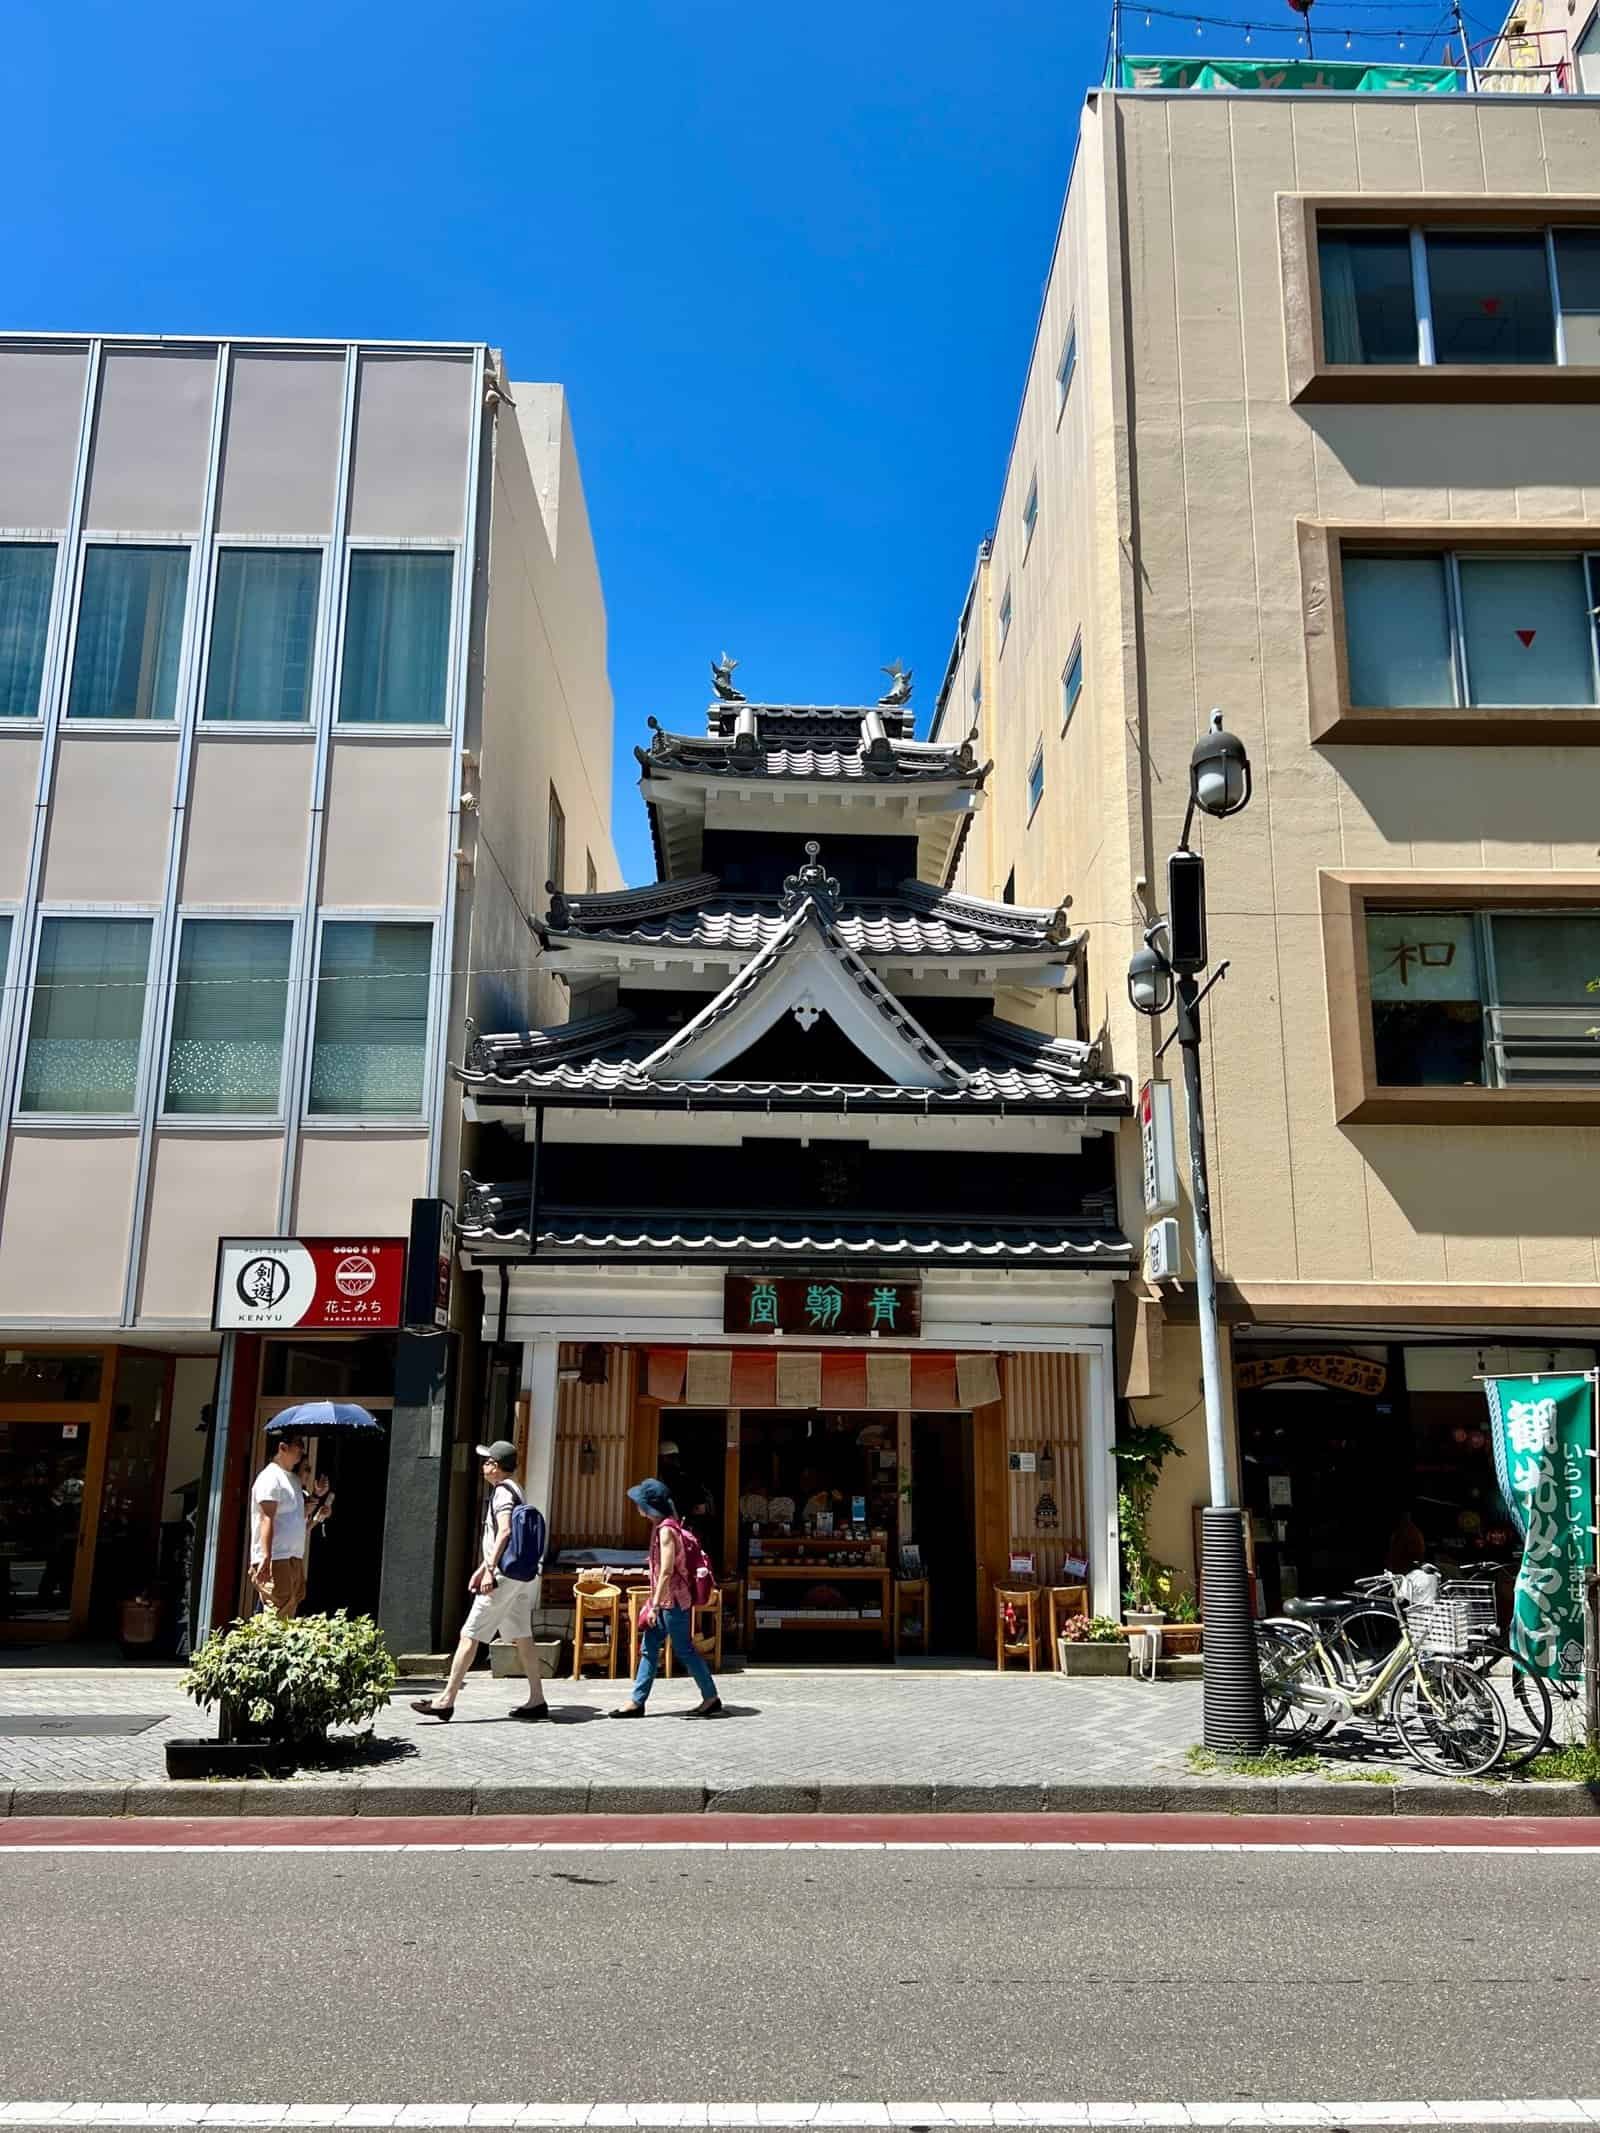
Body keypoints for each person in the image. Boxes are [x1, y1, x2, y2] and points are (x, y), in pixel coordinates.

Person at [412, 1440, 549, 1723]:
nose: (484, 1466)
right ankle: (537, 1699)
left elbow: (505, 1532)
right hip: (517, 1576)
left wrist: (489, 1570)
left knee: (470, 1633)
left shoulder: (501, 1493)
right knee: (522, 1636)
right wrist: (482, 1567)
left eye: (487, 1461)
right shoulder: (516, 1489)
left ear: (496, 1466)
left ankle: (446, 1700)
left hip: (501, 1577)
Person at [611, 1477, 722, 1718]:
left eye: (639, 1502)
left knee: (683, 1649)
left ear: (649, 1506)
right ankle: (637, 1701)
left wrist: (654, 1605)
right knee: (649, 1647)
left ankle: (711, 1696)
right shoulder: (663, 1527)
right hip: (666, 1600)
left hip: (673, 1602)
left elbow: (666, 1570)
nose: (637, 1506)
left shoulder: (665, 1531)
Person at [250, 1426, 310, 1618]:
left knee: (290, 1609)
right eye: (298, 1444)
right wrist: (266, 1557)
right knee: (279, 1613)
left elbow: (295, 1519)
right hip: (276, 1556)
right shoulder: (270, 1478)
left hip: (293, 1555)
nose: (302, 1449)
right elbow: (266, 1517)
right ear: (282, 1447)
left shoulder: (293, 1479)